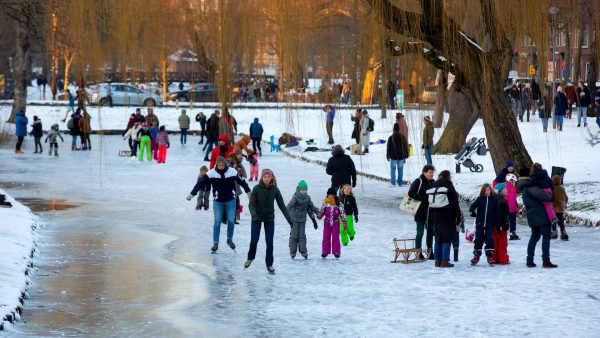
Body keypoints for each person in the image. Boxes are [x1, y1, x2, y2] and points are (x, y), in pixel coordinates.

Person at [193, 156, 250, 253]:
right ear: (216, 165)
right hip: (218, 201)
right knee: (217, 221)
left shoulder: (232, 171)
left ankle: (229, 239)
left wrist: (248, 192)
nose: (220, 167)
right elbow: (200, 183)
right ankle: (215, 243)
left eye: (222, 165)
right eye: (219, 165)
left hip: (231, 200)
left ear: (225, 165)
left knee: (231, 221)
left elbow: (242, 181)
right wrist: (192, 193)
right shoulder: (211, 173)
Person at [245, 169, 292, 273]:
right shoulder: (256, 189)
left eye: (268, 177)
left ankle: (269, 264)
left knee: (269, 242)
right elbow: (251, 204)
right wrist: (254, 215)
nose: (266, 179)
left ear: (271, 178)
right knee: (254, 240)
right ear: (262, 177)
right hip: (256, 218)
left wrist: (290, 220)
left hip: (269, 218)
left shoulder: (275, 189)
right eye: (264, 177)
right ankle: (250, 257)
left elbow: (282, 206)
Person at [517, 167, 557, 268]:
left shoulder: (523, 187)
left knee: (534, 237)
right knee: (546, 237)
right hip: (541, 214)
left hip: (532, 215)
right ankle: (546, 260)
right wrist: (551, 197)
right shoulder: (530, 187)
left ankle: (529, 260)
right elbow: (542, 195)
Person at [430, 170, 461, 268]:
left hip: (436, 215)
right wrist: (458, 215)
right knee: (446, 238)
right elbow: (455, 202)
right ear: (448, 176)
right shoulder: (448, 185)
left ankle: (437, 261)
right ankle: (444, 261)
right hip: (448, 215)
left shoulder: (434, 185)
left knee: (438, 238)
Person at [407, 164, 436, 259]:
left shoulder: (433, 182)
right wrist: (423, 198)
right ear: (424, 172)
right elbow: (411, 193)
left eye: (432, 172)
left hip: (431, 211)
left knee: (431, 233)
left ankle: (430, 252)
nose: (432, 174)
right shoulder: (418, 181)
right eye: (430, 172)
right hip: (420, 211)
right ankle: (418, 252)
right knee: (420, 232)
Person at [286, 180, 320, 259]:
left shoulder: (308, 198)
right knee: (294, 236)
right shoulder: (295, 197)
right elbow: (290, 205)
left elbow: (312, 208)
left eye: (305, 190)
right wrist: (287, 214)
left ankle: (303, 252)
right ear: (299, 190)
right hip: (294, 219)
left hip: (303, 220)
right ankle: (293, 252)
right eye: (303, 190)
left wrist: (318, 213)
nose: (304, 191)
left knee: (302, 236)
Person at [469, 183, 498, 265]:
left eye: (488, 190)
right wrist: (472, 212)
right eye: (485, 190)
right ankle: (476, 255)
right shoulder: (480, 199)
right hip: (480, 223)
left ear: (491, 191)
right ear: (483, 191)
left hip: (490, 223)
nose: (487, 192)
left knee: (489, 239)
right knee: (478, 239)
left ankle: (489, 256)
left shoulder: (494, 200)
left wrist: (497, 223)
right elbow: (472, 206)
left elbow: (497, 212)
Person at [317, 187, 347, 259]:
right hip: (327, 222)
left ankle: (336, 252)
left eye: (332, 195)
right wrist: (319, 216)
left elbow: (342, 213)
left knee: (335, 237)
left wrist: (344, 222)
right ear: (327, 195)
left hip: (335, 222)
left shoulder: (338, 203)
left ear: (335, 195)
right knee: (326, 237)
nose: (330, 196)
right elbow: (321, 211)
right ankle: (325, 251)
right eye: (329, 194)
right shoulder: (325, 203)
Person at [492, 183, 510, 265]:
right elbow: (503, 215)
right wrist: (504, 224)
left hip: (494, 225)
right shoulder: (503, 201)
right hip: (501, 225)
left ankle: (495, 258)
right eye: (504, 189)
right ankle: (503, 259)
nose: (506, 190)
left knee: (495, 242)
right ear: (499, 191)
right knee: (502, 242)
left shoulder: (493, 199)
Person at [551, 175, 569, 241]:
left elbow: (551, 197)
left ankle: (554, 231)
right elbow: (566, 197)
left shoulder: (552, 189)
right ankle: (563, 232)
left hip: (554, 207)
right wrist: (565, 203)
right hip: (561, 207)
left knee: (553, 219)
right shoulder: (562, 188)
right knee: (560, 220)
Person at [505, 173, 520, 240]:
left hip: (512, 208)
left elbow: (513, 198)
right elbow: (508, 198)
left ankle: (512, 232)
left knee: (512, 221)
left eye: (514, 181)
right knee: (508, 221)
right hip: (508, 208)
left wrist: (516, 205)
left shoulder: (513, 187)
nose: (514, 182)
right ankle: (506, 232)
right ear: (509, 180)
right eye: (512, 181)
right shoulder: (507, 187)